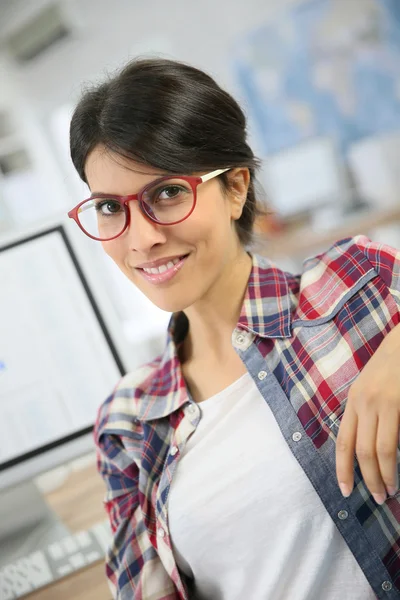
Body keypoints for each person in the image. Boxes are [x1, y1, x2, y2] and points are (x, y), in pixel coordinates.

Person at [67, 58, 400, 600]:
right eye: (110, 207)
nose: (142, 238)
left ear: (236, 188)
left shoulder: (358, 286)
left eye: (168, 193)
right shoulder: (128, 420)